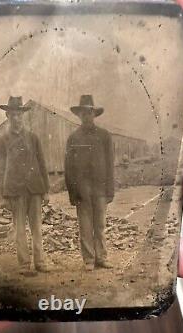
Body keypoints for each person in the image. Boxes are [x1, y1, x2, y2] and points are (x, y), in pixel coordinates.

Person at [0, 96, 50, 275]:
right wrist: (4, 194)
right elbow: (0, 168)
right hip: (15, 191)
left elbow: (42, 164)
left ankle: (40, 262)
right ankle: (24, 265)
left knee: (36, 228)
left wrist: (46, 190)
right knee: (19, 229)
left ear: (23, 116)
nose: (16, 118)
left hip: (34, 188)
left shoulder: (33, 138)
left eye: (19, 114)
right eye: (13, 115)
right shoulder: (2, 140)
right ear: (7, 116)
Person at [65, 95, 114, 271]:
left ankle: (101, 257)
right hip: (82, 190)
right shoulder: (73, 138)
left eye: (89, 112)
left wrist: (110, 190)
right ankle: (88, 260)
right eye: (83, 113)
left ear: (94, 113)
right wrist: (72, 193)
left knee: (100, 225)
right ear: (79, 115)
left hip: (100, 188)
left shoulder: (105, 135)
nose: (86, 116)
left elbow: (110, 164)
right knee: (85, 226)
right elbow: (68, 167)